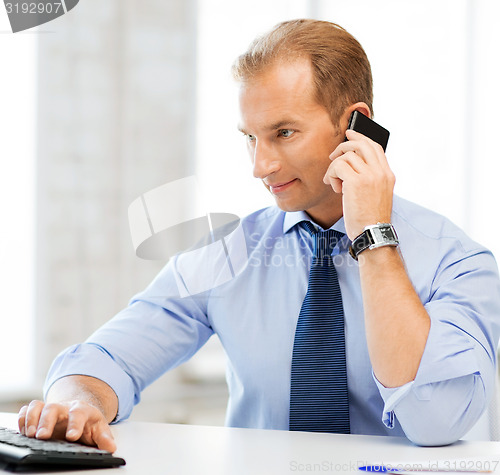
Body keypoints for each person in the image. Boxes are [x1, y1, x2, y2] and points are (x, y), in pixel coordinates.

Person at [18, 19, 500, 451]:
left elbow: (436, 421)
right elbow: (109, 357)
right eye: (250, 137)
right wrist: (75, 403)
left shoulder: (458, 262)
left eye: (284, 133)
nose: (259, 166)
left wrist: (372, 234)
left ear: (355, 125)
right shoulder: (227, 252)